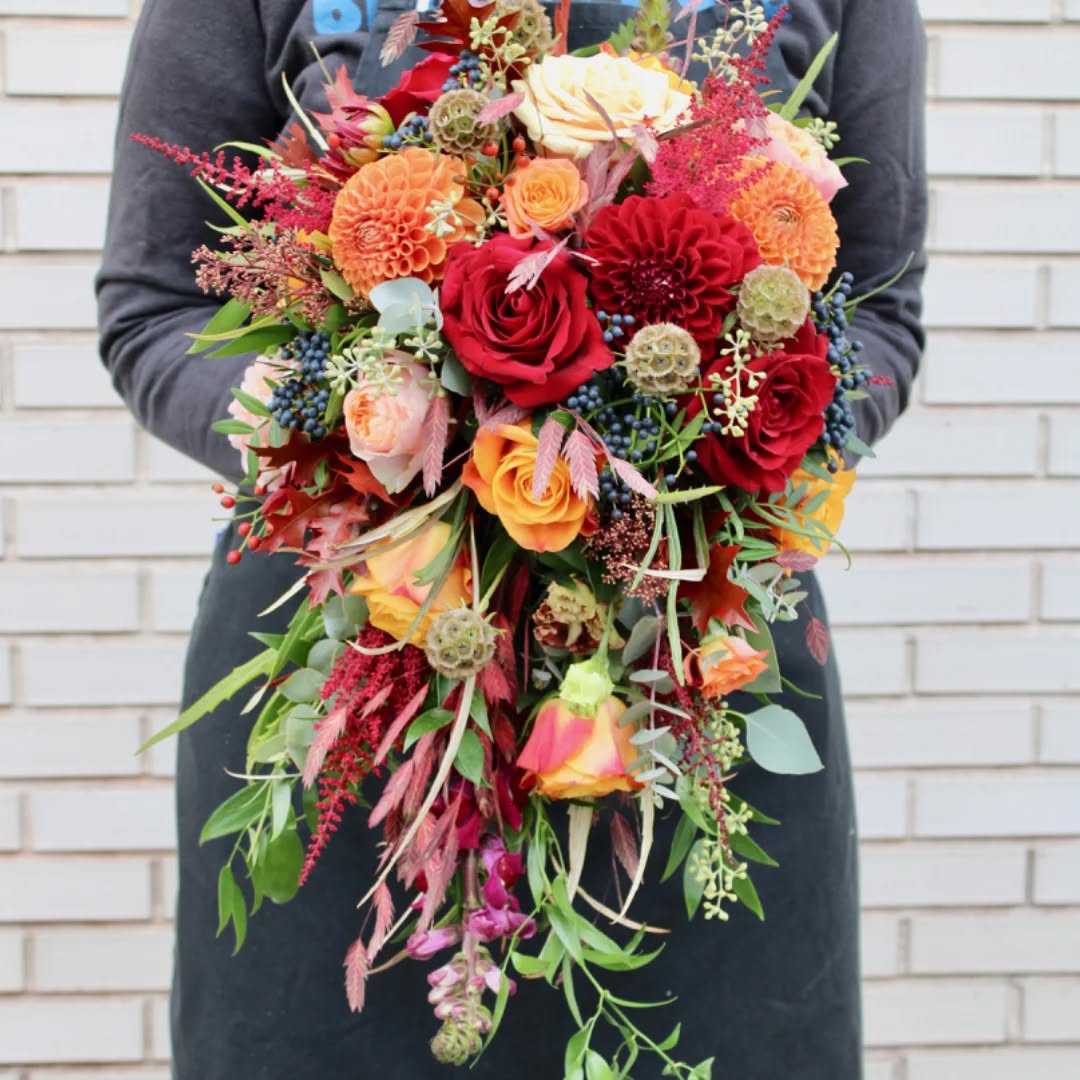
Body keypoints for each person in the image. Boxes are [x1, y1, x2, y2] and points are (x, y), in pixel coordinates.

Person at [97, 2, 926, 1077]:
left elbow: (881, 314)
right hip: (354, 671)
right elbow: (153, 306)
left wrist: (705, 457)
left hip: (700, 685)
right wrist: (357, 431)